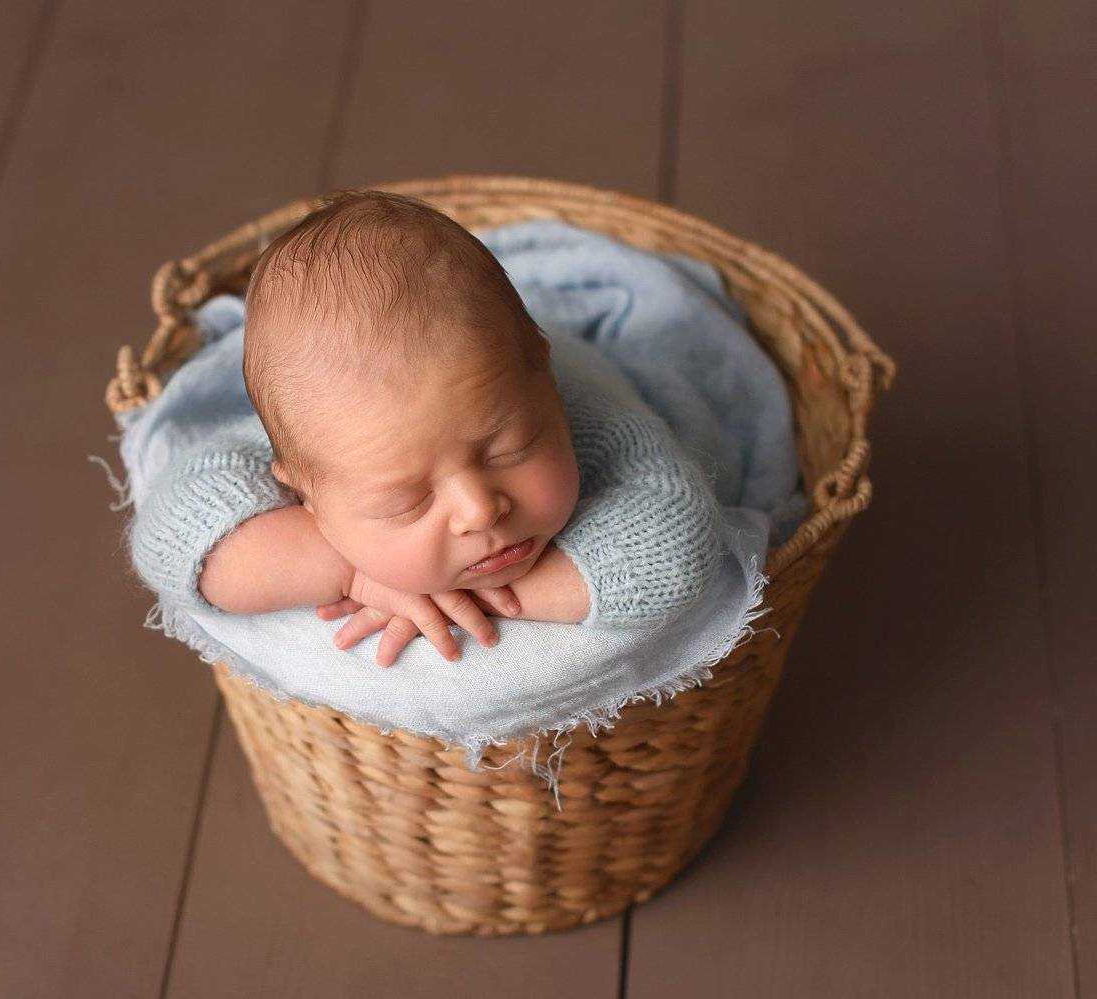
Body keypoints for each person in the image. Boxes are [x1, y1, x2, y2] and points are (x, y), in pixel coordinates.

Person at [128, 189, 725, 666]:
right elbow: (172, 537)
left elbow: (677, 550)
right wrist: (353, 574)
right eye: (405, 502)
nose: (479, 511)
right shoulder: (328, 437)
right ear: (306, 494)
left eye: (511, 450)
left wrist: (480, 598)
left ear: (542, 380)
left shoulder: (572, 413)